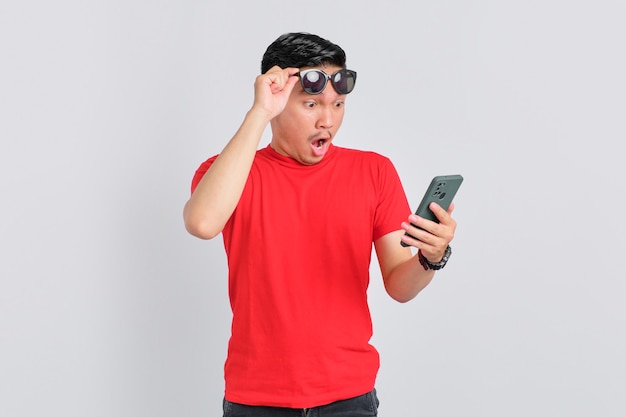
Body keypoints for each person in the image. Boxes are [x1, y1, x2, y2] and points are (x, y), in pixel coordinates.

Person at [183, 32, 457, 417]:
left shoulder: (373, 172)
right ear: (276, 100)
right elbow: (202, 222)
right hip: (256, 400)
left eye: (338, 104)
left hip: (349, 398)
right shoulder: (228, 172)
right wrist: (259, 113)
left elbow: (399, 284)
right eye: (311, 103)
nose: (327, 119)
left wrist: (432, 257)